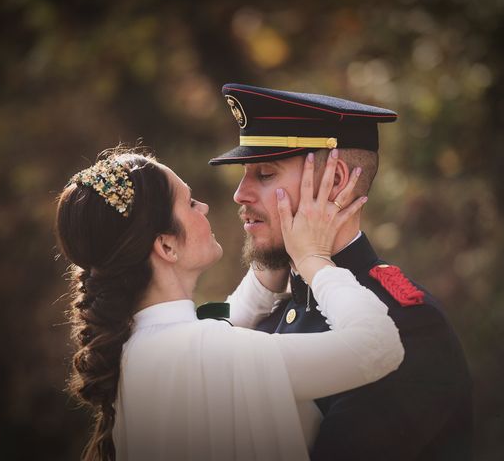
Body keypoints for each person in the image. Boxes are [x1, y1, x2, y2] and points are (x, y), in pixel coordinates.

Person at [55, 148, 404, 461]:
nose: (204, 207)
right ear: (166, 247)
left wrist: (273, 258)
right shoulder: (209, 352)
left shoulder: (135, 348)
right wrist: (314, 259)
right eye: (190, 203)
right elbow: (379, 346)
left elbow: (230, 319)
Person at [210, 83, 473, 460]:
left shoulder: (408, 324)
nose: (240, 194)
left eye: (265, 175)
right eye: (245, 173)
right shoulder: (266, 311)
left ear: (334, 183)